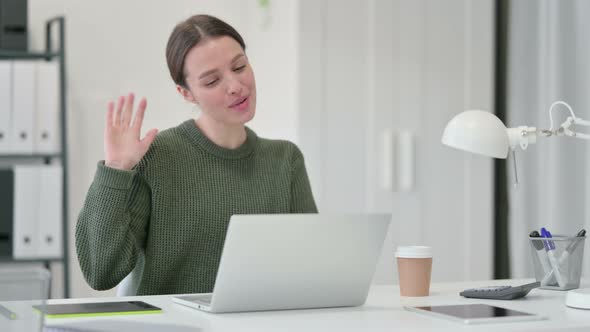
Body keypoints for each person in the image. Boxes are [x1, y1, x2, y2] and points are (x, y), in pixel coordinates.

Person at [75, 14, 317, 296]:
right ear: (186, 93)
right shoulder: (156, 158)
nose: (235, 86)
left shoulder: (285, 160)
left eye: (239, 66)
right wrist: (116, 170)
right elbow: (100, 272)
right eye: (212, 81)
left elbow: (308, 264)